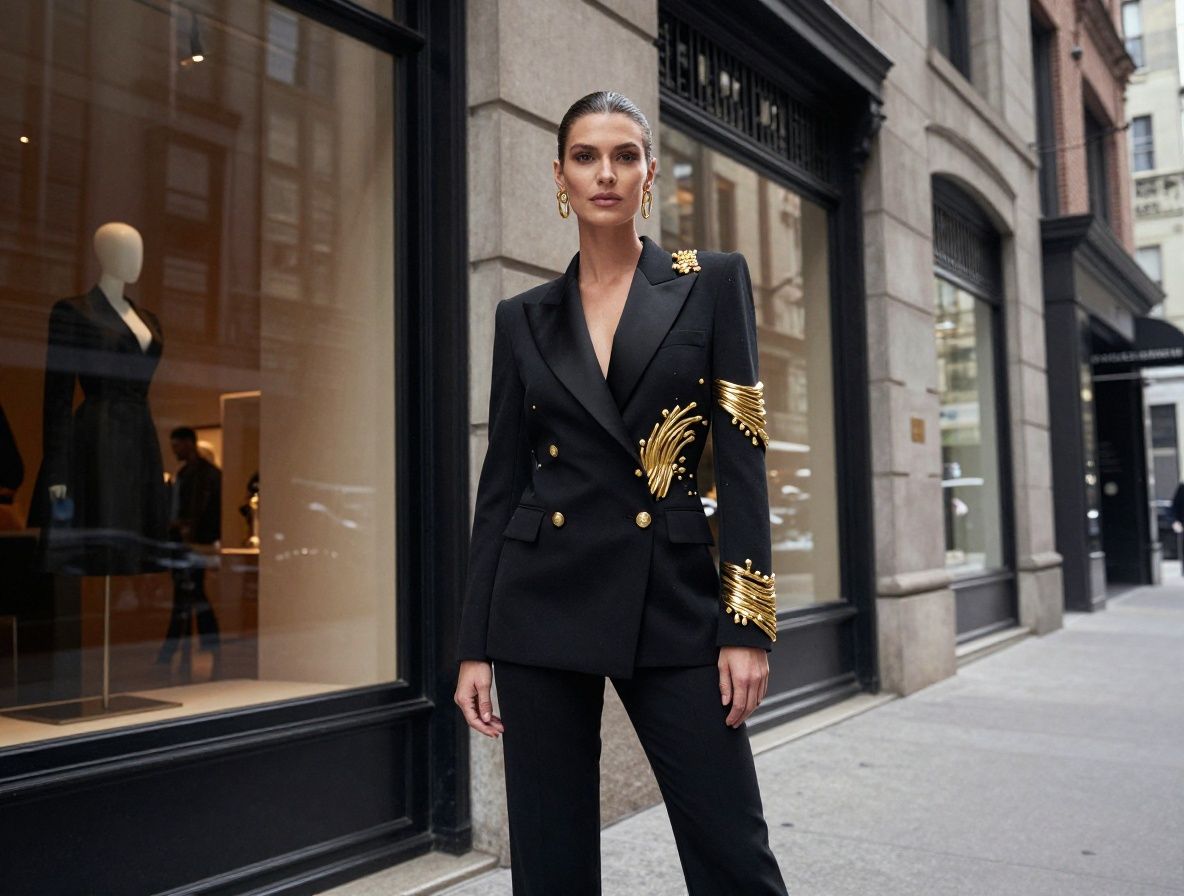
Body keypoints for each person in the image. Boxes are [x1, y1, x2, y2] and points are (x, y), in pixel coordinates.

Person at [453, 91, 788, 895]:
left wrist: (748, 624)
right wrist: (473, 642)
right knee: (551, 856)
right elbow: (502, 484)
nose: (606, 172)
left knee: (732, 849)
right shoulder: (523, 317)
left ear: (648, 175)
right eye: (586, 156)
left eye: (626, 155)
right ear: (560, 176)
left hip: (670, 598)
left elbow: (743, 460)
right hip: (540, 601)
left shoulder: (710, 282)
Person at [156, 426, 222, 675]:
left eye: (177, 445)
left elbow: (204, 512)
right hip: (186, 543)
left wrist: (192, 532)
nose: (174, 451)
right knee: (189, 598)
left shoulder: (205, 476)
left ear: (189, 443)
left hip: (193, 544)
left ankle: (173, 651)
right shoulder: (187, 474)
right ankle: (182, 650)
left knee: (190, 597)